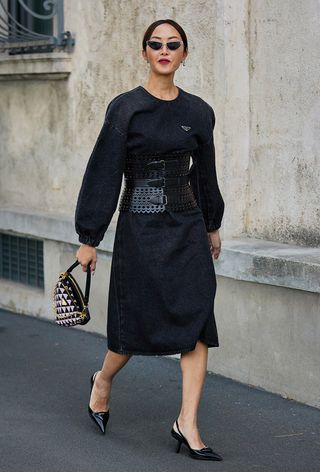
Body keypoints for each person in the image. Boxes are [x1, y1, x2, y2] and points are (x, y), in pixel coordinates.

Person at [74, 19, 225, 461]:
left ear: (184, 54)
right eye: (156, 44)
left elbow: (207, 172)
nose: (164, 50)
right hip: (140, 232)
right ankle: (102, 382)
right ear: (144, 53)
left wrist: (212, 223)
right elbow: (104, 172)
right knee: (131, 329)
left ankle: (188, 424)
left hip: (188, 229)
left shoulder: (199, 112)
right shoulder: (126, 109)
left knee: (198, 323)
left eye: (172, 45)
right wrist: (89, 237)